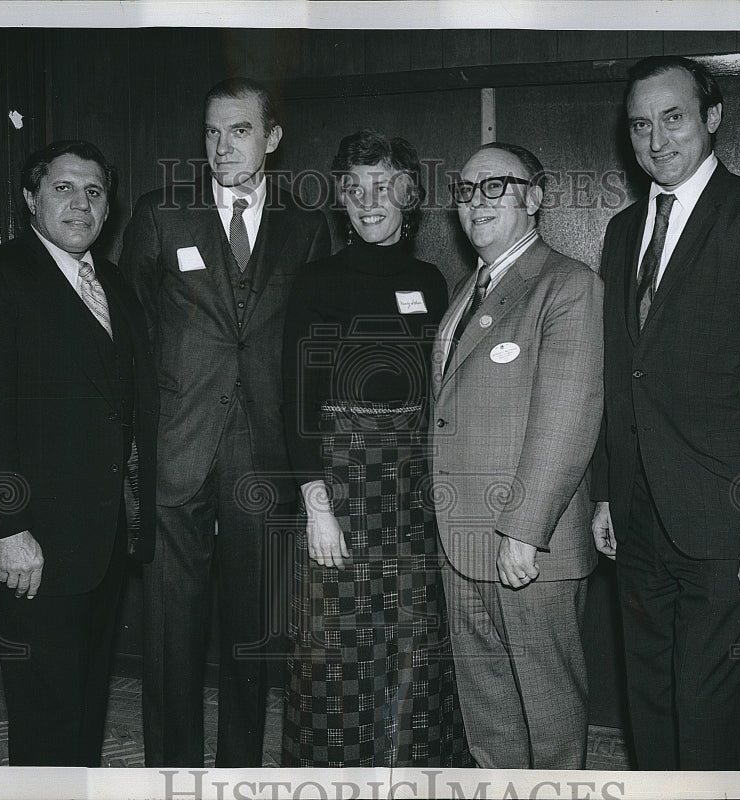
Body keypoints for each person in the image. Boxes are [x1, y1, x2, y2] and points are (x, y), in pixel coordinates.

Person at [590, 55, 740, 770]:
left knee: (710, 706)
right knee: (650, 699)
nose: (657, 141)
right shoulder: (624, 230)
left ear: (711, 119)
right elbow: (618, 374)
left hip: (727, 518)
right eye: (640, 125)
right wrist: (604, 490)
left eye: (673, 118)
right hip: (636, 513)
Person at [120, 77, 330, 768]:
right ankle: (169, 775)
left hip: (264, 453)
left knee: (251, 633)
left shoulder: (307, 225)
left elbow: (312, 348)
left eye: (238, 131)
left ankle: (241, 771)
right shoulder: (161, 214)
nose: (220, 147)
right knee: (170, 633)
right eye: (211, 132)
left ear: (271, 138)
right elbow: (133, 333)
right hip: (177, 448)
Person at [0, 140, 158, 766]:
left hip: (106, 538)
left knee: (86, 701)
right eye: (63, 188)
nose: (80, 203)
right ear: (31, 198)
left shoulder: (111, 282)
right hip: (33, 542)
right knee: (44, 709)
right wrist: (6, 529)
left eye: (94, 191)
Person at [279, 130, 470, 768]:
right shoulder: (314, 282)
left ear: (410, 195)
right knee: (337, 646)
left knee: (415, 639)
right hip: (341, 485)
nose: (368, 201)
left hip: (414, 491)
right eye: (355, 188)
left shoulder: (432, 281)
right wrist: (315, 504)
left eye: (384, 187)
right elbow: (296, 400)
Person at [430, 142, 604, 769]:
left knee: (549, 714)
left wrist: (524, 533)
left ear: (535, 197)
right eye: (466, 189)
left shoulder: (567, 285)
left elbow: (568, 417)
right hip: (464, 541)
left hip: (528, 547)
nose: (476, 201)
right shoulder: (467, 291)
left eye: (494, 186)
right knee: (489, 713)